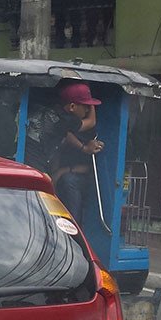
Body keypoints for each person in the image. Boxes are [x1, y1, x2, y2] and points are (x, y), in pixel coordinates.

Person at [49, 82, 105, 223]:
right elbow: (69, 133)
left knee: (69, 180)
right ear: (72, 107)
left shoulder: (85, 129)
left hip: (77, 177)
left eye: (89, 107)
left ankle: (75, 228)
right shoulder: (64, 120)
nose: (87, 110)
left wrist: (62, 171)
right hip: (49, 168)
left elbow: (89, 167)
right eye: (85, 106)